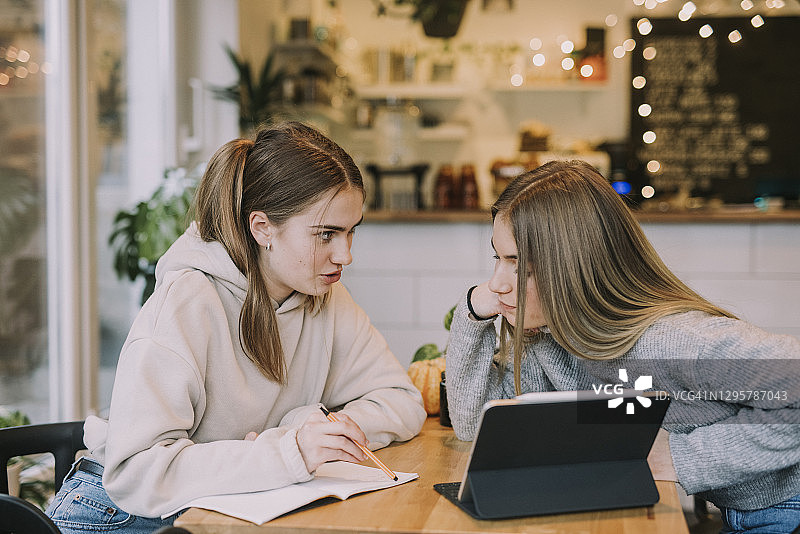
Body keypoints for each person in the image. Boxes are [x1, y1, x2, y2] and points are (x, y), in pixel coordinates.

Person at [46, 122, 426, 533]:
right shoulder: (188, 303)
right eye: (327, 234)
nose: (345, 255)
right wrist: (289, 451)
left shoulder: (326, 297)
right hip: (118, 515)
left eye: (351, 232)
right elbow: (136, 474)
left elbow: (401, 400)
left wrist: (307, 428)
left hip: (227, 507)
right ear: (262, 227)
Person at [445, 160, 800, 533]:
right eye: (497, 258)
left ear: (576, 267)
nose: (497, 283)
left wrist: (679, 459)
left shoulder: (670, 339)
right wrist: (471, 314)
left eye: (521, 268)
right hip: (743, 512)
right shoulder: (553, 339)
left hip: (786, 509)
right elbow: (472, 425)